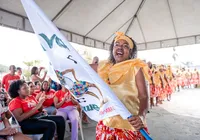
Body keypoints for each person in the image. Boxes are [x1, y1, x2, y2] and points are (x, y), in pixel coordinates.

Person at [92, 32, 149, 139]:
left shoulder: (135, 68)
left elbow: (143, 96)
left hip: (129, 126)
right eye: (117, 44)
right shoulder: (103, 66)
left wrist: (141, 116)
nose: (120, 48)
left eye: (125, 46)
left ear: (130, 52)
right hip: (106, 125)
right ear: (112, 48)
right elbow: (80, 66)